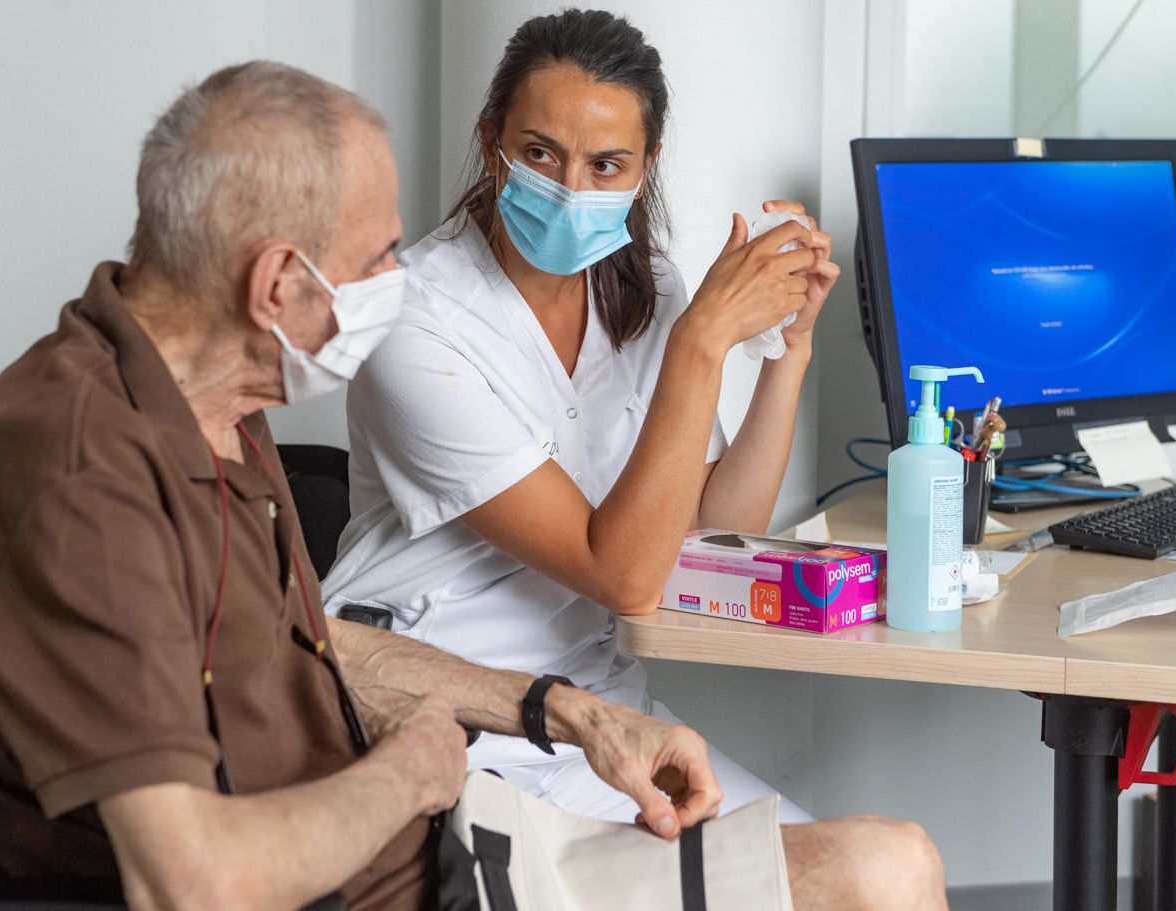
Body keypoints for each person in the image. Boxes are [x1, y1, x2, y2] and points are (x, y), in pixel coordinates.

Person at [0, 60, 943, 911]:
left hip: (435, 833)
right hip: (422, 863)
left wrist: (560, 711)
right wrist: (411, 771)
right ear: (279, 286)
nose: (399, 281)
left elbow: (306, 636)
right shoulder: (86, 476)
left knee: (885, 864)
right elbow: (197, 877)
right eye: (378, 255)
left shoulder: (210, 406)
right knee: (884, 875)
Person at [326, 7, 831, 825]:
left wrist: (788, 354)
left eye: (606, 165)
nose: (570, 190)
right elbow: (624, 575)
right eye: (539, 154)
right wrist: (701, 344)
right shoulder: (408, 320)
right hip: (442, 716)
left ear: (647, 165)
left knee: (856, 869)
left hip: (602, 717)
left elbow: (719, 526)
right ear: (492, 141)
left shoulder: (648, 289)